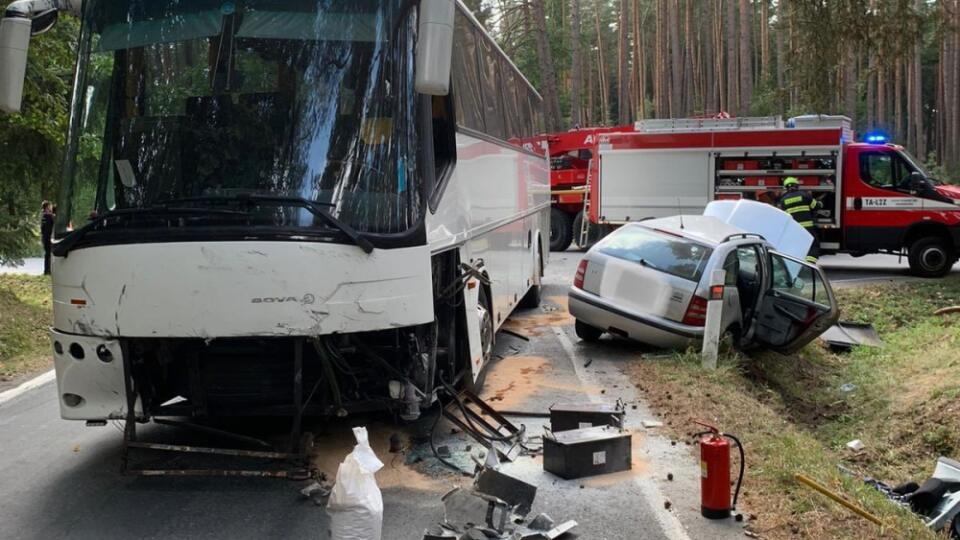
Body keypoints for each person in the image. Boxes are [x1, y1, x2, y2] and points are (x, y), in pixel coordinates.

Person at [777, 177, 821, 263]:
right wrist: (820, 203)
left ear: (786, 187)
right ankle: (810, 264)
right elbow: (816, 206)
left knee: (797, 246)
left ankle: (798, 264)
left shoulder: (783, 200)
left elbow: (782, 215)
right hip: (807, 227)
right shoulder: (804, 195)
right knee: (813, 246)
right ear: (797, 186)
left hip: (794, 228)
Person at [40, 200, 54, 275]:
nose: (51, 207)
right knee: (48, 253)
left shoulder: (43, 216)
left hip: (45, 237)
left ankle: (47, 270)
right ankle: (47, 270)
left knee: (48, 253)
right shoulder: (47, 216)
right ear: (47, 207)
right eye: (49, 206)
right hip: (47, 237)